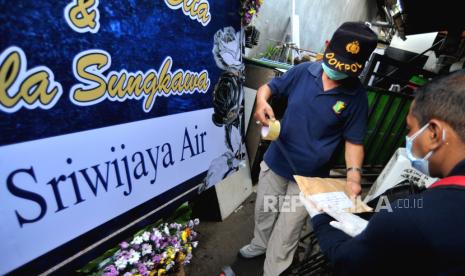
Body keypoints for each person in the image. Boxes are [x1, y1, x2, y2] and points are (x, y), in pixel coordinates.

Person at [239, 22, 378, 275]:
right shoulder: (303, 72)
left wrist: (354, 176)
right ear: (327, 48)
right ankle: (259, 244)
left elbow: (354, 142)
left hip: (309, 178)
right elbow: (268, 88)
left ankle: (274, 269)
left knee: (288, 228)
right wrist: (261, 103)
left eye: (345, 69)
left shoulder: (356, 97)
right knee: (265, 211)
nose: (336, 72)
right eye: (335, 64)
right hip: (277, 160)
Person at [300, 70, 465, 275]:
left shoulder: (413, 216)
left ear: (433, 133)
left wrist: (321, 219)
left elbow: (349, 262)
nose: (409, 137)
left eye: (409, 129)